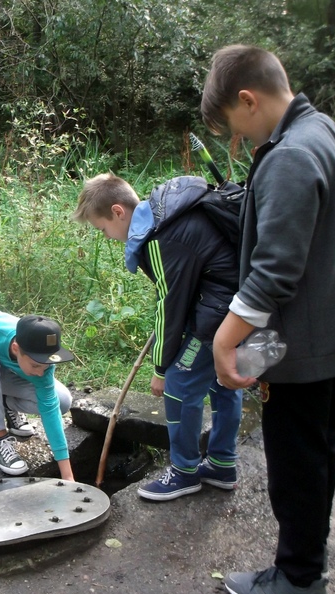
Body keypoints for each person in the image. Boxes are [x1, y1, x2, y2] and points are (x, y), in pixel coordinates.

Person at [201, 45, 335, 594]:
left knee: (296, 466)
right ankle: (307, 570)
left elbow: (275, 268)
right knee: (319, 452)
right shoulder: (333, 135)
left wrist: (226, 339)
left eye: (236, 127)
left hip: (301, 345)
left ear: (248, 99)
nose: (242, 141)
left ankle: (298, 582)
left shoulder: (291, 156)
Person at [73, 172, 243, 501]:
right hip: (234, 303)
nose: (106, 237)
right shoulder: (164, 216)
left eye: (102, 228)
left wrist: (161, 368)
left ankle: (184, 472)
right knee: (221, 382)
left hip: (218, 312)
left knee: (179, 386)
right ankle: (222, 463)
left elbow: (170, 305)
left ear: (118, 212)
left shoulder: (160, 239)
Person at [0, 295, 76, 481]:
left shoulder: (43, 365)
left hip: (11, 378)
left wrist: (67, 476)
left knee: (62, 401)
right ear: (16, 348)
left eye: (46, 365)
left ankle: (6, 405)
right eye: (36, 365)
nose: (40, 372)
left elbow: (50, 409)